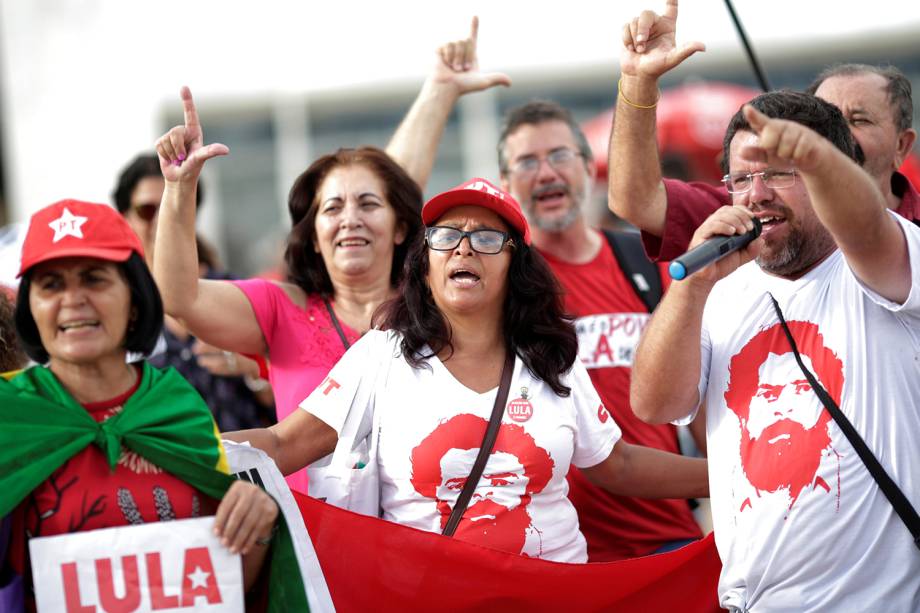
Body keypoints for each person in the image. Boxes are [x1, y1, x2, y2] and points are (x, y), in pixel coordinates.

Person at [224, 177, 708, 562]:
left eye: (487, 237)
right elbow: (285, 443)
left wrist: (729, 472)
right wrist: (176, 456)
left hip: (557, 596)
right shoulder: (382, 356)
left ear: (515, 264)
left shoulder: (553, 355)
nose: (464, 247)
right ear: (425, 263)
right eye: (447, 235)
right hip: (425, 597)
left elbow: (616, 463)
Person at [385, 18, 703, 561]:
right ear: (505, 185)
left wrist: (734, 470)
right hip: (550, 552)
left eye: (559, 156)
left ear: (588, 168)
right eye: (526, 162)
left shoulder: (645, 261)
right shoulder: (492, 284)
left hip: (663, 538)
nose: (546, 172)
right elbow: (386, 203)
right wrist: (439, 93)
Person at [630, 90, 920, 610]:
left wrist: (816, 158)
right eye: (741, 180)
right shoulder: (720, 289)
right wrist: (692, 289)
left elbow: (861, 219)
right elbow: (656, 405)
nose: (757, 194)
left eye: (781, 173)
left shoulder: (885, 254)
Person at [0, 199, 284, 606]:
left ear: (135, 299)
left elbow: (223, 584)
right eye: (51, 285)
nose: (73, 299)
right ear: (30, 306)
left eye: (94, 279)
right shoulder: (9, 414)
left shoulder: (176, 405)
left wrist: (254, 524)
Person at [153, 87, 423, 494]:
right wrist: (179, 187)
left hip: (419, 536)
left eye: (368, 204)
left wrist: (439, 89)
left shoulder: (436, 313)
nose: (350, 219)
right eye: (332, 209)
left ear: (401, 227)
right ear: (314, 236)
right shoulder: (282, 308)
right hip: (313, 546)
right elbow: (179, 298)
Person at [608, 0, 919, 261]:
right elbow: (637, 200)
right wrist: (638, 80)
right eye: (825, 121)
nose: (836, 137)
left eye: (859, 120)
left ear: (902, 146)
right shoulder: (754, 204)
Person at [113, 153, 274, 431]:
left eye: (173, 205)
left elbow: (289, 403)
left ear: (192, 212)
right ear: (125, 218)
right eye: (149, 210)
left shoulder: (236, 293)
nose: (162, 220)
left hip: (246, 465)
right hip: (163, 468)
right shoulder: (116, 307)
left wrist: (253, 369)